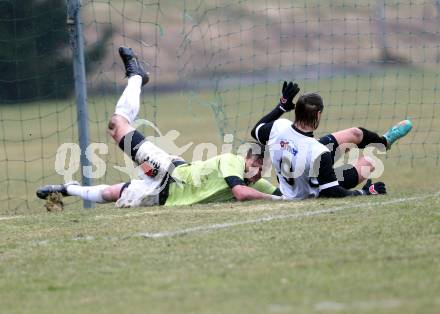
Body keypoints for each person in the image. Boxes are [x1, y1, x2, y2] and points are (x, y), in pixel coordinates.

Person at [37, 47, 282, 207]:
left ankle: (67, 189)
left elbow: (287, 195)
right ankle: (137, 77)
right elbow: (240, 193)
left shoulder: (255, 183)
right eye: (256, 164)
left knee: (112, 194)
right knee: (116, 125)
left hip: (159, 196)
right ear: (246, 159)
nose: (258, 172)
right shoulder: (233, 162)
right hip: (165, 172)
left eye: (263, 168)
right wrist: (273, 198)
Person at [251, 81, 413, 199]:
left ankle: (384, 142)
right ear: (318, 115)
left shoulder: (278, 127)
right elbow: (331, 191)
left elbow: (256, 129)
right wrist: (365, 192)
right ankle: (377, 148)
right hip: (313, 187)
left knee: (355, 134)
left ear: (297, 112)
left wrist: (282, 107)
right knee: (369, 163)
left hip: (303, 155)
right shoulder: (318, 151)